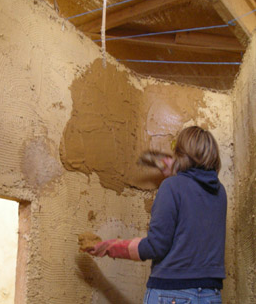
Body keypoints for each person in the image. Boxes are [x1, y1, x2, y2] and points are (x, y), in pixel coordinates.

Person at [85, 126, 226, 304]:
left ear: (181, 155)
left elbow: (156, 246)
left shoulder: (172, 186)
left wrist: (110, 247)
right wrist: (178, 172)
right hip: (211, 295)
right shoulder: (220, 193)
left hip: (172, 293)